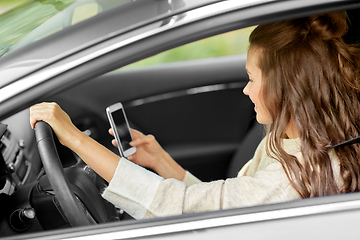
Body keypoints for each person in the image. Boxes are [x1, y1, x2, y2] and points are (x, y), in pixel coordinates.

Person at [29, 11, 360, 219]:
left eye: (251, 78)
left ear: (286, 89)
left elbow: (178, 207)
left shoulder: (292, 181)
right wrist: (162, 162)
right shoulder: (288, 141)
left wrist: (72, 137)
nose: (245, 90)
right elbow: (223, 209)